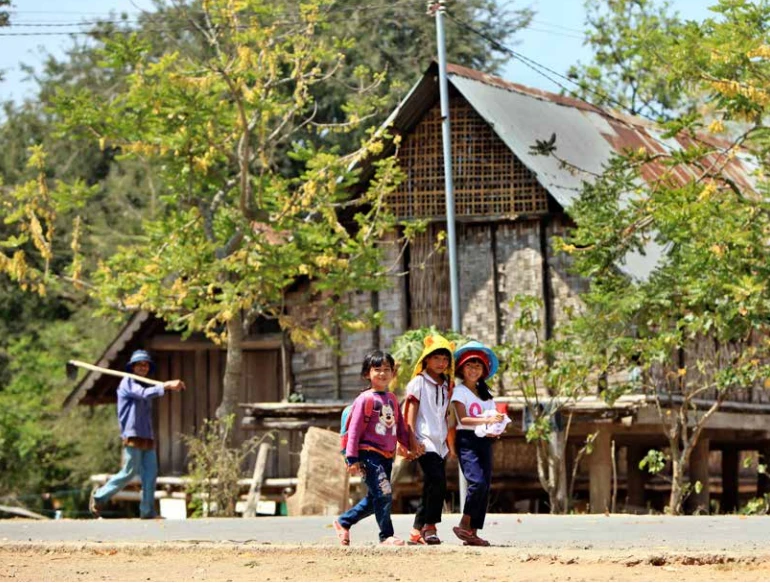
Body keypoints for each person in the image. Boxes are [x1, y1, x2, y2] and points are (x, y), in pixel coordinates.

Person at [333, 350, 422, 546]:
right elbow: (355, 431)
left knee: (376, 497)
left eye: (387, 369)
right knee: (384, 492)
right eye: (377, 369)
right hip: (368, 454)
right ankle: (386, 536)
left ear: (393, 373)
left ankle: (343, 522)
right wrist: (352, 458)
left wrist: (410, 445)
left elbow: (399, 426)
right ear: (367, 373)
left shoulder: (391, 398)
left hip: (386, 456)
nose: (382, 373)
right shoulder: (364, 399)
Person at [89, 349, 186, 519]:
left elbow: (146, 394)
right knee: (129, 472)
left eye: (146, 364)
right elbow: (143, 394)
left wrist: (164, 386)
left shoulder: (143, 384)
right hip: (132, 435)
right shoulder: (127, 383)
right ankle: (99, 496)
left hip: (147, 437)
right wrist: (166, 385)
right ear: (133, 367)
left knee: (150, 474)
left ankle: (147, 511)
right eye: (140, 364)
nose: (143, 367)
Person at [450, 340, 504, 547]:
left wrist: (495, 428)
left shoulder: (486, 394)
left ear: (484, 370)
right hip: (467, 441)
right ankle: (465, 521)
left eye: (478, 366)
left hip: (485, 441)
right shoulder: (459, 392)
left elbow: (492, 415)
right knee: (477, 482)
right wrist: (487, 420)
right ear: (462, 369)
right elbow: (463, 420)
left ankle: (472, 531)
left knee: (485, 485)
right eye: (469, 365)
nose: (473, 370)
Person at [403, 334, 455, 545]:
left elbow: (445, 415)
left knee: (431, 485)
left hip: (440, 440)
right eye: (437, 358)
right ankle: (430, 526)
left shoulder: (446, 385)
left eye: (445, 359)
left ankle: (417, 530)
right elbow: (411, 412)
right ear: (426, 360)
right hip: (423, 439)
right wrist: (411, 440)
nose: (441, 363)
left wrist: (450, 444)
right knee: (438, 482)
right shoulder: (418, 382)